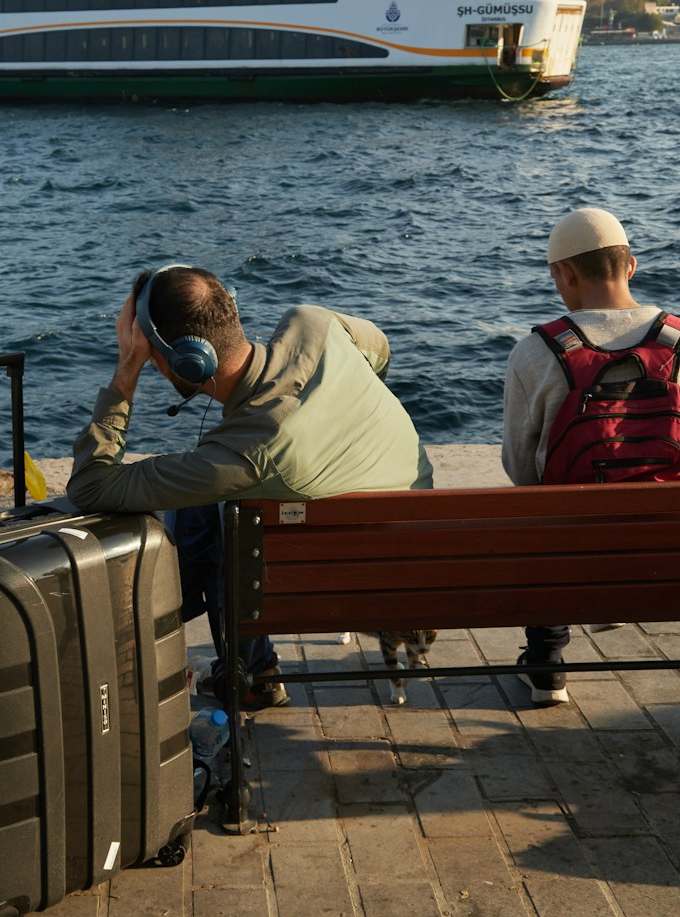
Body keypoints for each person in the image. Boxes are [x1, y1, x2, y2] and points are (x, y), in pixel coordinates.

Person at [67, 264, 433, 708]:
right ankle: (241, 666)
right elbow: (381, 351)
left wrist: (126, 372)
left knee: (216, 511)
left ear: (186, 361)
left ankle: (240, 670)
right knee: (210, 503)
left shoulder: (243, 455)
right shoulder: (313, 321)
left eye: (148, 352)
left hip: (339, 588)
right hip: (412, 561)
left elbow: (91, 485)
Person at [502, 207, 667, 704]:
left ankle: (547, 665)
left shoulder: (536, 353)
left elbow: (518, 467)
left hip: (571, 548)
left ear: (565, 272)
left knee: (537, 510)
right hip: (667, 547)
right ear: (631, 266)